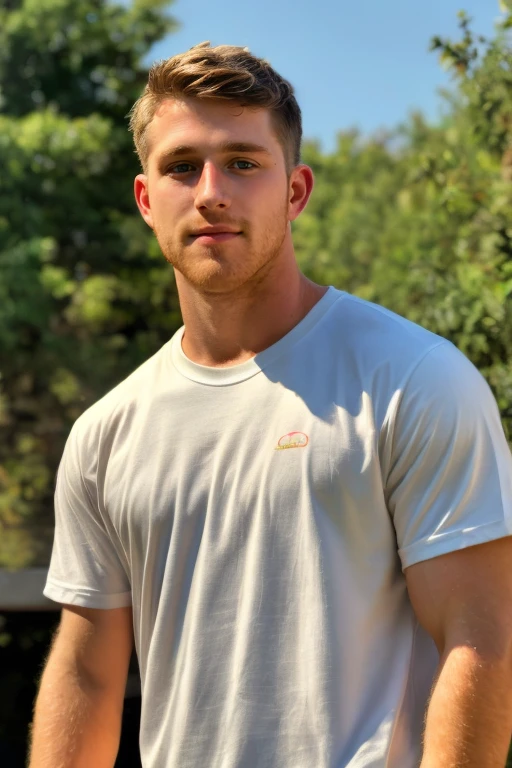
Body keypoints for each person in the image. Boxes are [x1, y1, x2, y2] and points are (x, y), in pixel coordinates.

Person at [29, 42, 512, 768]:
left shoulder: (413, 380)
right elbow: (89, 675)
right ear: (144, 198)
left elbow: (481, 637)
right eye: (182, 166)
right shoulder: (106, 434)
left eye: (243, 163)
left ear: (295, 192)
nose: (210, 191)